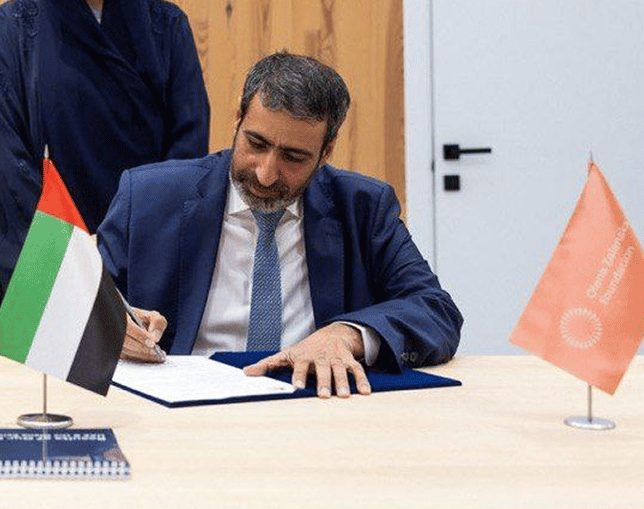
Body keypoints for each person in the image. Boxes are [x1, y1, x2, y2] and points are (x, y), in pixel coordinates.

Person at [101, 52, 463, 397]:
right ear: (238, 118)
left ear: (326, 151)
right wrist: (110, 324)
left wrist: (346, 335)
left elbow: (436, 311)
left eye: (293, 157)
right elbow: (72, 299)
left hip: (313, 400)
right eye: (256, 143)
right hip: (182, 403)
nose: (266, 174)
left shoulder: (363, 207)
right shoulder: (148, 196)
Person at [0, 0, 210, 293]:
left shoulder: (166, 27)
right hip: (50, 264)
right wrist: (71, 267)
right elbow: (7, 161)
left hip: (146, 257)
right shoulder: (14, 28)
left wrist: (125, 248)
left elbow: (187, 153)